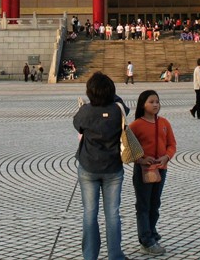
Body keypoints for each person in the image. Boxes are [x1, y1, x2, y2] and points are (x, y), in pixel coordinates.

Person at [72, 72, 131, 260]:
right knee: (112, 213)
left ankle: (90, 255)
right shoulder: (117, 110)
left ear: (90, 92)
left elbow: (77, 125)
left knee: (90, 213)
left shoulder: (86, 111)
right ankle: (115, 255)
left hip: (89, 167)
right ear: (111, 91)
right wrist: (111, 96)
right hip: (113, 168)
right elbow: (124, 107)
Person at [130, 90, 177, 256]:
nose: (155, 104)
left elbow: (172, 144)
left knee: (155, 204)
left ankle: (151, 231)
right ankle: (146, 239)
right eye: (151, 101)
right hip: (143, 170)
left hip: (160, 170)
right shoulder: (135, 125)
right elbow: (128, 148)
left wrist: (167, 157)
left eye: (157, 101)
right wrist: (140, 159)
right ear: (143, 104)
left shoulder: (164, 123)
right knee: (143, 205)